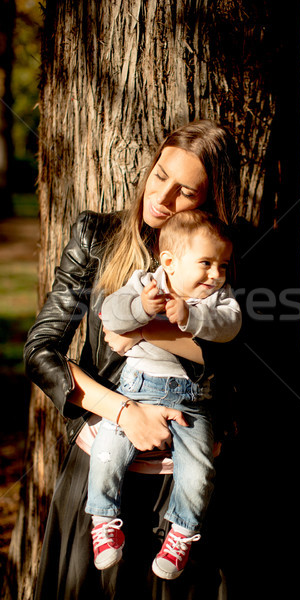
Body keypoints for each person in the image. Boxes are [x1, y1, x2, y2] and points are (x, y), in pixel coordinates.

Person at [24, 120, 241, 599]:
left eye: (185, 192)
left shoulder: (219, 257)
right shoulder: (95, 235)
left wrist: (145, 330)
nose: (162, 198)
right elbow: (42, 350)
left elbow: (235, 358)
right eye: (160, 175)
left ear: (208, 200)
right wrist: (126, 413)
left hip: (183, 479)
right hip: (101, 471)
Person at [87, 210, 241, 578]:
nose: (216, 274)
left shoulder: (218, 297)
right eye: (205, 263)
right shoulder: (146, 283)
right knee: (107, 449)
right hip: (137, 390)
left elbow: (229, 325)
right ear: (169, 262)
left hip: (194, 400)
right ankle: (103, 520)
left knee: (199, 468)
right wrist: (141, 307)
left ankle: (182, 533)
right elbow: (110, 312)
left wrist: (190, 316)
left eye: (222, 265)